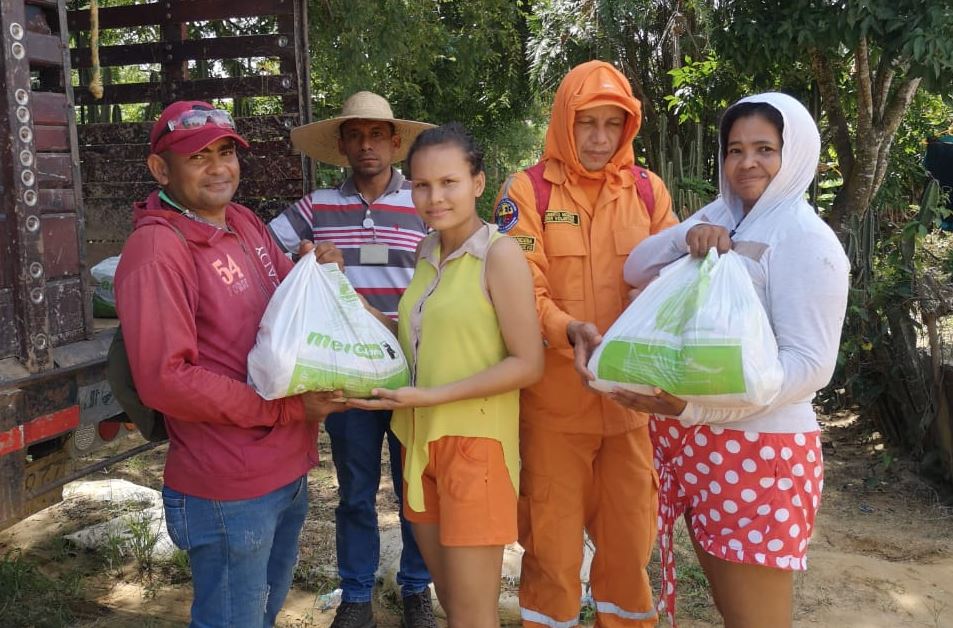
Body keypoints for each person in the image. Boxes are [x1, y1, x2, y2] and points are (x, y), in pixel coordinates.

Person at [617, 92, 850, 627]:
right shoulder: (721, 214)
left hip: (761, 451)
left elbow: (810, 366)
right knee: (732, 610)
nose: (747, 163)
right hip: (700, 446)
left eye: (765, 149)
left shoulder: (806, 240)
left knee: (756, 619)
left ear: (794, 155)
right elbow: (635, 268)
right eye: (735, 149)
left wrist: (698, 409)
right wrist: (686, 236)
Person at [114, 101, 344, 627]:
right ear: (160, 169)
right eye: (198, 157)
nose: (219, 168)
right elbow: (166, 381)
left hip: (285, 468)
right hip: (229, 486)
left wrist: (313, 269)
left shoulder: (242, 221)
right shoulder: (158, 250)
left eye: (226, 152)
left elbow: (285, 301)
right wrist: (287, 410)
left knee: (260, 614)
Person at [493, 60, 679, 627]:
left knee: (630, 546)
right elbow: (520, 286)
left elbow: (674, 284)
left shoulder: (647, 191)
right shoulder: (526, 191)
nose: (600, 138)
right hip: (554, 409)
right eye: (587, 123)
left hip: (630, 407)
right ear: (563, 123)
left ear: (629, 127)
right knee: (551, 551)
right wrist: (566, 328)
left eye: (612, 124)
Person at [348, 123, 544, 627]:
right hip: (419, 444)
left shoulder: (499, 255)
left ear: (478, 182)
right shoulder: (426, 251)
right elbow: (419, 336)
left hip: (476, 450)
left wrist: (431, 396)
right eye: (421, 185)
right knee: (456, 607)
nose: (434, 198)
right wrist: (358, 309)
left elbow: (528, 362)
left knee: (473, 615)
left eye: (448, 182)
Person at [268, 91, 435, 628]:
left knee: (415, 489)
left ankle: (416, 589)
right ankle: (357, 595)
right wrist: (305, 259)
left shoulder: (423, 201)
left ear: (395, 142)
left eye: (376, 135)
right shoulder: (316, 207)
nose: (367, 145)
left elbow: (455, 262)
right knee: (356, 492)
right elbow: (263, 250)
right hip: (346, 374)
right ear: (341, 145)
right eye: (355, 135)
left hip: (414, 369)